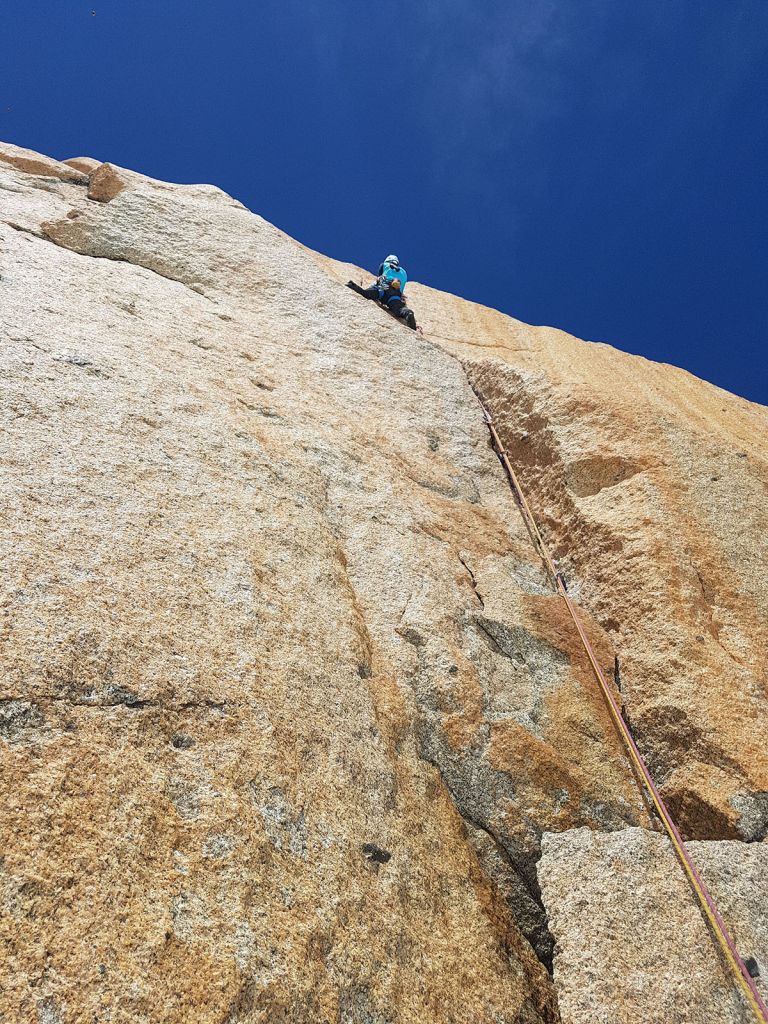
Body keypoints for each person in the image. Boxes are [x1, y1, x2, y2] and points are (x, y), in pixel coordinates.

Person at [347, 255, 417, 330]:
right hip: (395, 294)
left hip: (383, 288)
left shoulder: (384, 265)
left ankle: (352, 285)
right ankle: (408, 313)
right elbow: (402, 288)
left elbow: (380, 277)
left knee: (366, 294)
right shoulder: (403, 272)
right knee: (399, 310)